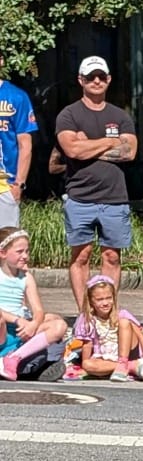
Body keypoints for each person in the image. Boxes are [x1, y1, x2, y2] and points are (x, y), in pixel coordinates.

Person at [55, 56, 137, 309]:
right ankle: (84, 313)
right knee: (81, 256)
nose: (97, 81)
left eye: (102, 76)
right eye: (91, 77)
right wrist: (110, 141)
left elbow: (129, 152)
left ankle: (107, 313)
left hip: (114, 198)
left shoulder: (120, 115)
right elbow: (72, 151)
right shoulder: (69, 115)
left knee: (111, 256)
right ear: (81, 80)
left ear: (109, 79)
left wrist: (87, 144)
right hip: (80, 197)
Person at [0, 227, 69, 381]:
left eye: (27, 251)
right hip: (3, 330)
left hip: (19, 333)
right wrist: (18, 320)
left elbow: (38, 310)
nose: (25, 256)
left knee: (58, 324)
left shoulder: (26, 278)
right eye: (19, 252)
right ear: (3, 253)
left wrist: (34, 324)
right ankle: (36, 367)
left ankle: (14, 358)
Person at [73, 274, 143, 381]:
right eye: (99, 299)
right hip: (105, 356)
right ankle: (132, 366)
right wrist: (86, 366)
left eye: (108, 298)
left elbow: (141, 336)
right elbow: (87, 345)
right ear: (91, 301)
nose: (105, 303)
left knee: (124, 322)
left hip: (128, 351)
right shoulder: (88, 319)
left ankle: (124, 363)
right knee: (87, 364)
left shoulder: (122, 314)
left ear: (113, 297)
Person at [0, 61, 38, 227]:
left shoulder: (16, 96)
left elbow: (25, 144)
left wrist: (19, 184)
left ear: (1, 61)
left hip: (4, 185)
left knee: (6, 245)